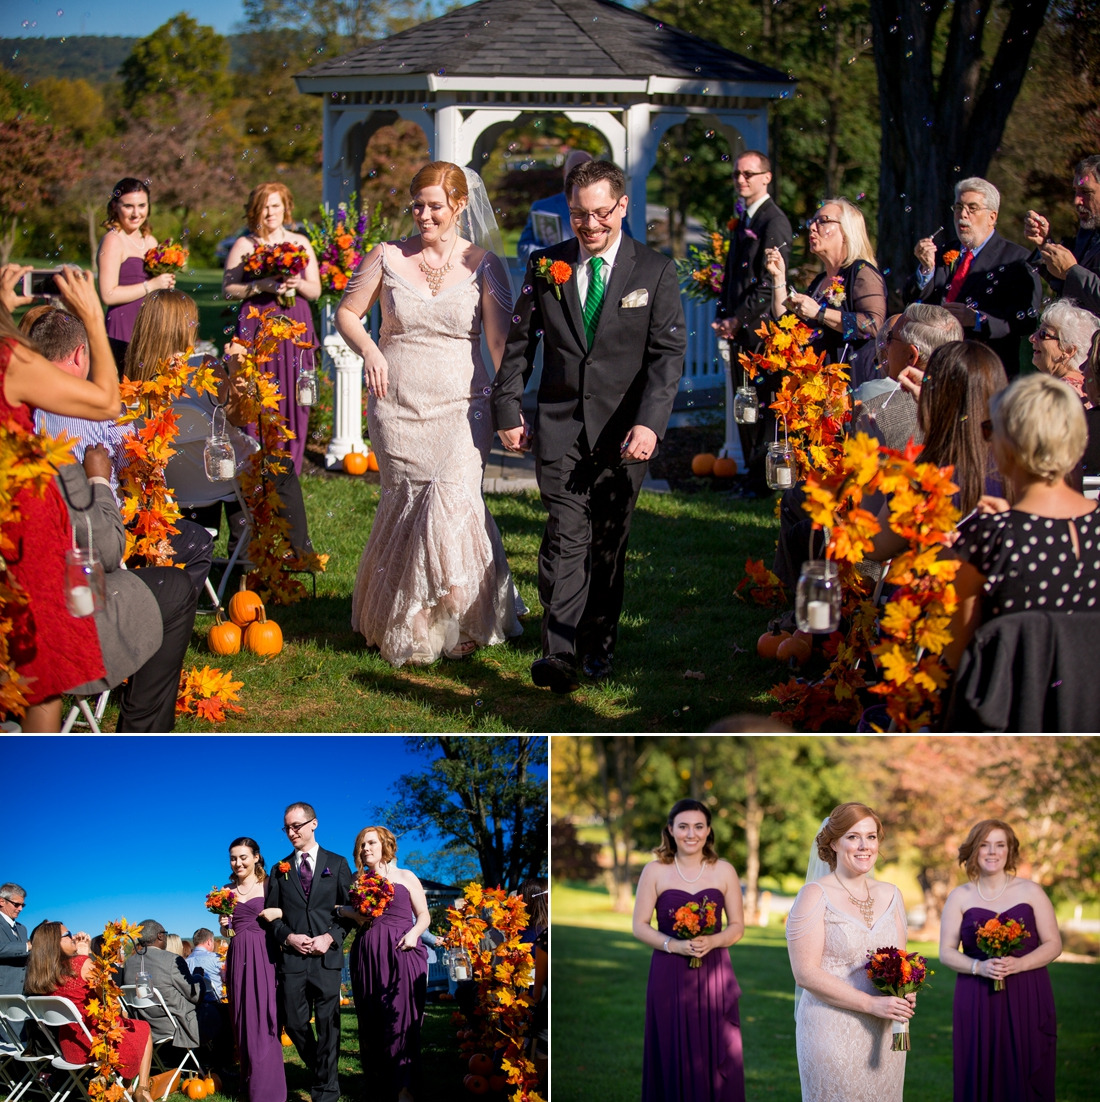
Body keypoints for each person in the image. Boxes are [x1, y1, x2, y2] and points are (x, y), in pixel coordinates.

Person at [492, 159, 686, 691]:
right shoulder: (544, 267)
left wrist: (650, 425)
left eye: (601, 213)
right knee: (564, 536)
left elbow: (667, 358)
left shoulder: (655, 272)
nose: (591, 225)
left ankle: (599, 641)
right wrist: (508, 410)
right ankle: (559, 652)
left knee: (608, 541)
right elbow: (517, 348)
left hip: (626, 437)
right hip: (560, 428)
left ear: (622, 206)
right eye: (580, 215)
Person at [335, 161, 525, 666]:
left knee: (453, 501)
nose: (423, 214)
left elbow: (500, 342)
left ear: (458, 206)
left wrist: (512, 407)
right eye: (417, 204)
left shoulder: (485, 264)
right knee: (407, 505)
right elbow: (347, 313)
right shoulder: (386, 256)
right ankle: (412, 620)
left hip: (463, 409)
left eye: (434, 206)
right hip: (396, 407)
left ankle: (462, 615)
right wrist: (371, 352)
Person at [0, 263, 121, 732]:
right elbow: (107, 400)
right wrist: (93, 317)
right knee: (41, 670)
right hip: (22, 532)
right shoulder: (10, 359)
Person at [125, 288, 313, 559]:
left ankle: (207, 558)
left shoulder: (134, 376)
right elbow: (241, 416)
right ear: (183, 327)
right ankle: (299, 555)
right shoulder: (204, 366)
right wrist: (237, 367)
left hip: (173, 482)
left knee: (213, 462)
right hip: (223, 475)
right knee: (279, 467)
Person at [945, 373, 1100, 668]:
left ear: (1007, 446)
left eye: (990, 430)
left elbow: (956, 653)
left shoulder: (990, 539)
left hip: (1017, 705)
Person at [56, 451, 199, 732]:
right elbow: (107, 551)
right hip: (51, 632)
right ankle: (141, 741)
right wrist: (98, 479)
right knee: (175, 588)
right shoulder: (43, 462)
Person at [785, 802, 914, 1102]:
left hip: (883, 1032)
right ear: (833, 842)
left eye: (871, 837)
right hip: (831, 1028)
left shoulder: (892, 894)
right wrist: (871, 1004)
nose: (864, 846)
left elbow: (901, 961)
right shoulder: (815, 895)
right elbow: (805, 973)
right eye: (853, 837)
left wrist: (907, 989)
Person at [631, 798, 745, 1102]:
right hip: (668, 973)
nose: (691, 833)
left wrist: (714, 940)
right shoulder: (654, 871)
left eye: (698, 826)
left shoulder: (724, 871)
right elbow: (639, 925)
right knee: (671, 1047)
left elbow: (736, 926)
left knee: (714, 1047)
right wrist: (675, 945)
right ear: (670, 830)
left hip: (715, 972)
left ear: (708, 831)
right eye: (683, 826)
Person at [938, 820, 1061, 1101]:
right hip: (976, 995)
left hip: (1027, 991)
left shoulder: (1032, 892)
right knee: (978, 1066)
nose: (992, 852)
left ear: (1010, 850)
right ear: (974, 850)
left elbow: (1054, 944)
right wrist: (977, 967)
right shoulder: (959, 896)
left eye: (1000, 844)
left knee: (1025, 1067)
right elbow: (946, 951)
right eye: (984, 844)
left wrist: (1019, 964)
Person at [222, 182, 321, 478]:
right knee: (256, 390)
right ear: (255, 210)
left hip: (294, 327)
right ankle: (257, 460)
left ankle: (290, 465)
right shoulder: (245, 244)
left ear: (286, 208)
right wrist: (260, 286)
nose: (270, 212)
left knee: (294, 392)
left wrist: (296, 284)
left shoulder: (300, 242)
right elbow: (228, 289)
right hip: (258, 326)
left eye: (275, 205)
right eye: (264, 206)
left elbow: (315, 289)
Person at [713, 150, 794, 498]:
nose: (741, 180)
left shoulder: (773, 222)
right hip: (740, 329)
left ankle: (761, 481)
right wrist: (723, 314)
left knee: (759, 405)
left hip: (760, 332)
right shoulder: (745, 217)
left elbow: (767, 283)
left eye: (748, 173)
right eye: (736, 174)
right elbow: (732, 275)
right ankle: (750, 475)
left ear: (766, 177)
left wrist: (737, 318)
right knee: (744, 405)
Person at [907, 177, 1041, 376]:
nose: (963, 214)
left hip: (985, 371)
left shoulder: (1016, 259)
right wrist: (926, 270)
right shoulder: (943, 252)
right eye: (959, 206)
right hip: (937, 367)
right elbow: (911, 301)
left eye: (972, 208)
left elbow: (1026, 319)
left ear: (992, 217)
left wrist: (977, 319)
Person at [266, 802, 353, 1102]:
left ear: (314, 824)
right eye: (287, 828)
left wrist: (331, 937)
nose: (291, 832)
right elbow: (271, 916)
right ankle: (323, 1072)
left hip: (326, 959)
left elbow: (349, 912)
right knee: (294, 1022)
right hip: (292, 961)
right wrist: (288, 937)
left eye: (297, 826)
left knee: (329, 1025)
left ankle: (326, 1092)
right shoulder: (279, 870)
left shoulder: (338, 863)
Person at [336, 825, 429, 1102]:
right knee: (372, 1020)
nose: (366, 849)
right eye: (362, 845)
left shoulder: (406, 876)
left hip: (402, 951)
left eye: (371, 843)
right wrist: (349, 911)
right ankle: (379, 1084)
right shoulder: (357, 880)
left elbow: (423, 915)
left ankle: (404, 1088)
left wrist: (413, 935)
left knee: (401, 1019)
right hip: (367, 954)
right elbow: (338, 908)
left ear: (386, 844)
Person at [25, 920, 155, 1102]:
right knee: (142, 1027)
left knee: (130, 1027)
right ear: (55, 942)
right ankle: (141, 1088)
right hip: (96, 1044)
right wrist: (85, 956)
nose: (73, 937)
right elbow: (112, 1002)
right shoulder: (82, 964)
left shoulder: (42, 974)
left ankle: (127, 1088)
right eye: (67, 935)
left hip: (69, 1046)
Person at [764, 197, 887, 370]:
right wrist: (778, 277)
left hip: (853, 380)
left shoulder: (862, 272)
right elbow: (787, 324)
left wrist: (820, 312)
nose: (812, 228)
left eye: (823, 221)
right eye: (812, 222)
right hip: (821, 381)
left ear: (846, 232)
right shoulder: (819, 281)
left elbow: (873, 325)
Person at [221, 837, 286, 1102]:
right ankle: (249, 1084)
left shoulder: (269, 884)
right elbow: (226, 931)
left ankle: (268, 1089)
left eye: (243, 857)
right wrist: (224, 925)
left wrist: (277, 913)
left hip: (264, 953)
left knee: (265, 1014)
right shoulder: (225, 890)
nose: (238, 863)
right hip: (238, 955)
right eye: (233, 858)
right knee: (242, 1017)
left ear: (256, 857)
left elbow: (289, 912)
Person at [97, 178, 175, 372]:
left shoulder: (150, 240)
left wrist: (165, 284)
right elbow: (107, 294)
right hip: (122, 327)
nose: (136, 213)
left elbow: (156, 283)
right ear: (115, 206)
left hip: (149, 326)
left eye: (142, 205)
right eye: (128, 206)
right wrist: (151, 285)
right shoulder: (113, 240)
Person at [516, 150, 635, 266]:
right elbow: (523, 250)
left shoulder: (613, 207)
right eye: (574, 172)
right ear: (564, 173)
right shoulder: (542, 207)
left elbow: (626, 247)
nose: (591, 224)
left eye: (601, 212)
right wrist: (556, 254)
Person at [1025, 154, 1100, 315]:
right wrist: (1045, 245)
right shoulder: (1087, 234)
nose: (1077, 201)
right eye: (1076, 191)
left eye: (1086, 192)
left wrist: (1072, 271)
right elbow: (1062, 284)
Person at [123, 920, 203, 1052]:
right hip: (174, 1024)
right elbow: (194, 996)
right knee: (218, 1012)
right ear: (160, 936)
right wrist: (198, 978)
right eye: (165, 934)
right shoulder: (172, 960)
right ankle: (214, 1063)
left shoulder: (129, 963)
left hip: (144, 1023)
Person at [1027, 299, 1100, 404]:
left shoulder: (1059, 394)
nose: (1032, 338)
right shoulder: (1089, 388)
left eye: (1043, 334)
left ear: (1068, 350)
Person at [0, 882, 29, 995]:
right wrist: (27, 946)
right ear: (2, 901)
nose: (20, 909)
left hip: (21, 993)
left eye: (23, 905)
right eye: (16, 904)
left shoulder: (22, 929)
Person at [188, 928, 223, 1002]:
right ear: (209, 942)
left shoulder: (185, 962)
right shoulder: (216, 958)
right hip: (217, 1004)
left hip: (194, 1003)